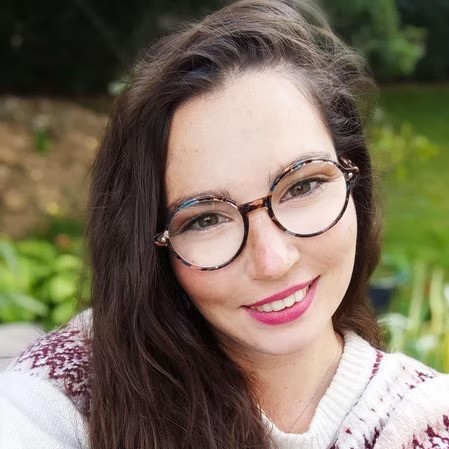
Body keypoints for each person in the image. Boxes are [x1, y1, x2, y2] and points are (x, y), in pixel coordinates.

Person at [1, 0, 449, 448]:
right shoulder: (77, 382)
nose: (273, 261)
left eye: (303, 186)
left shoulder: (425, 423)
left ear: (354, 179)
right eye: (206, 219)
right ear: (151, 247)